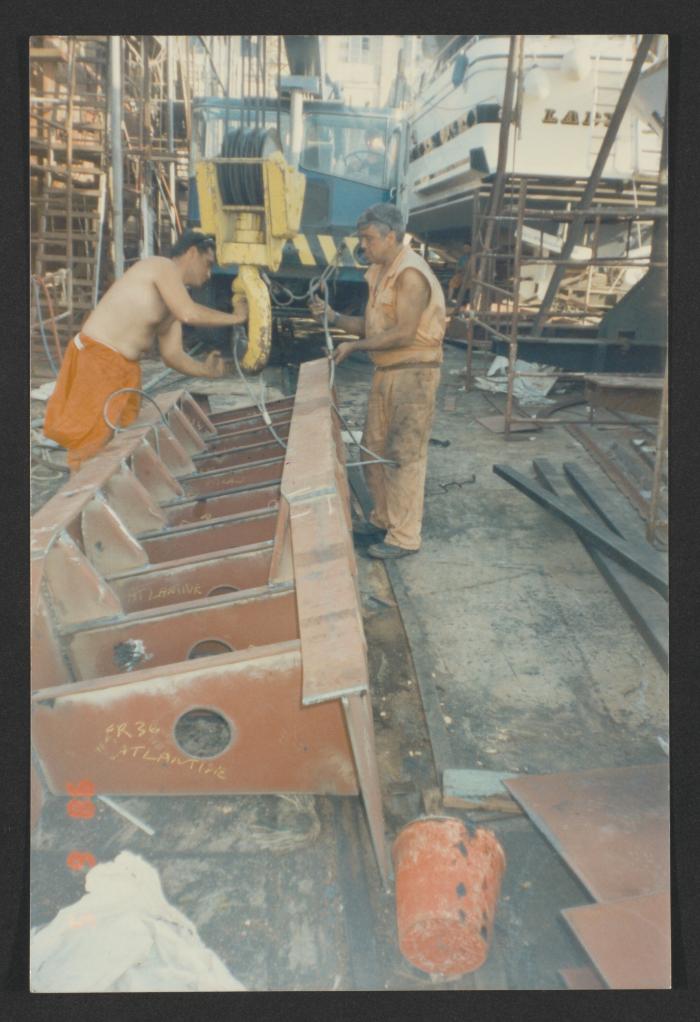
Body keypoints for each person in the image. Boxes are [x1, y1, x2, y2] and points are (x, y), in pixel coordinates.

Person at [43, 230, 248, 473]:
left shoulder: (175, 297)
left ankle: (110, 494)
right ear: (192, 253)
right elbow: (189, 313)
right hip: (98, 359)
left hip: (124, 368)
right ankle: (83, 503)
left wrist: (206, 371)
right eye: (208, 264)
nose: (209, 273)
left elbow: (173, 355)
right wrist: (236, 318)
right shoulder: (162, 267)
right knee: (89, 444)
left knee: (119, 441)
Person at [309, 202, 446, 560]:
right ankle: (383, 520)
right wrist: (334, 316)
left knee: (404, 455)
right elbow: (373, 328)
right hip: (387, 373)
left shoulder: (411, 274)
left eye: (369, 239)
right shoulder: (379, 272)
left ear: (391, 236)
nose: (363, 247)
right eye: (362, 239)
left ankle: (404, 537)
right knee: (372, 450)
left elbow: (402, 334)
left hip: (414, 374)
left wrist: (355, 347)